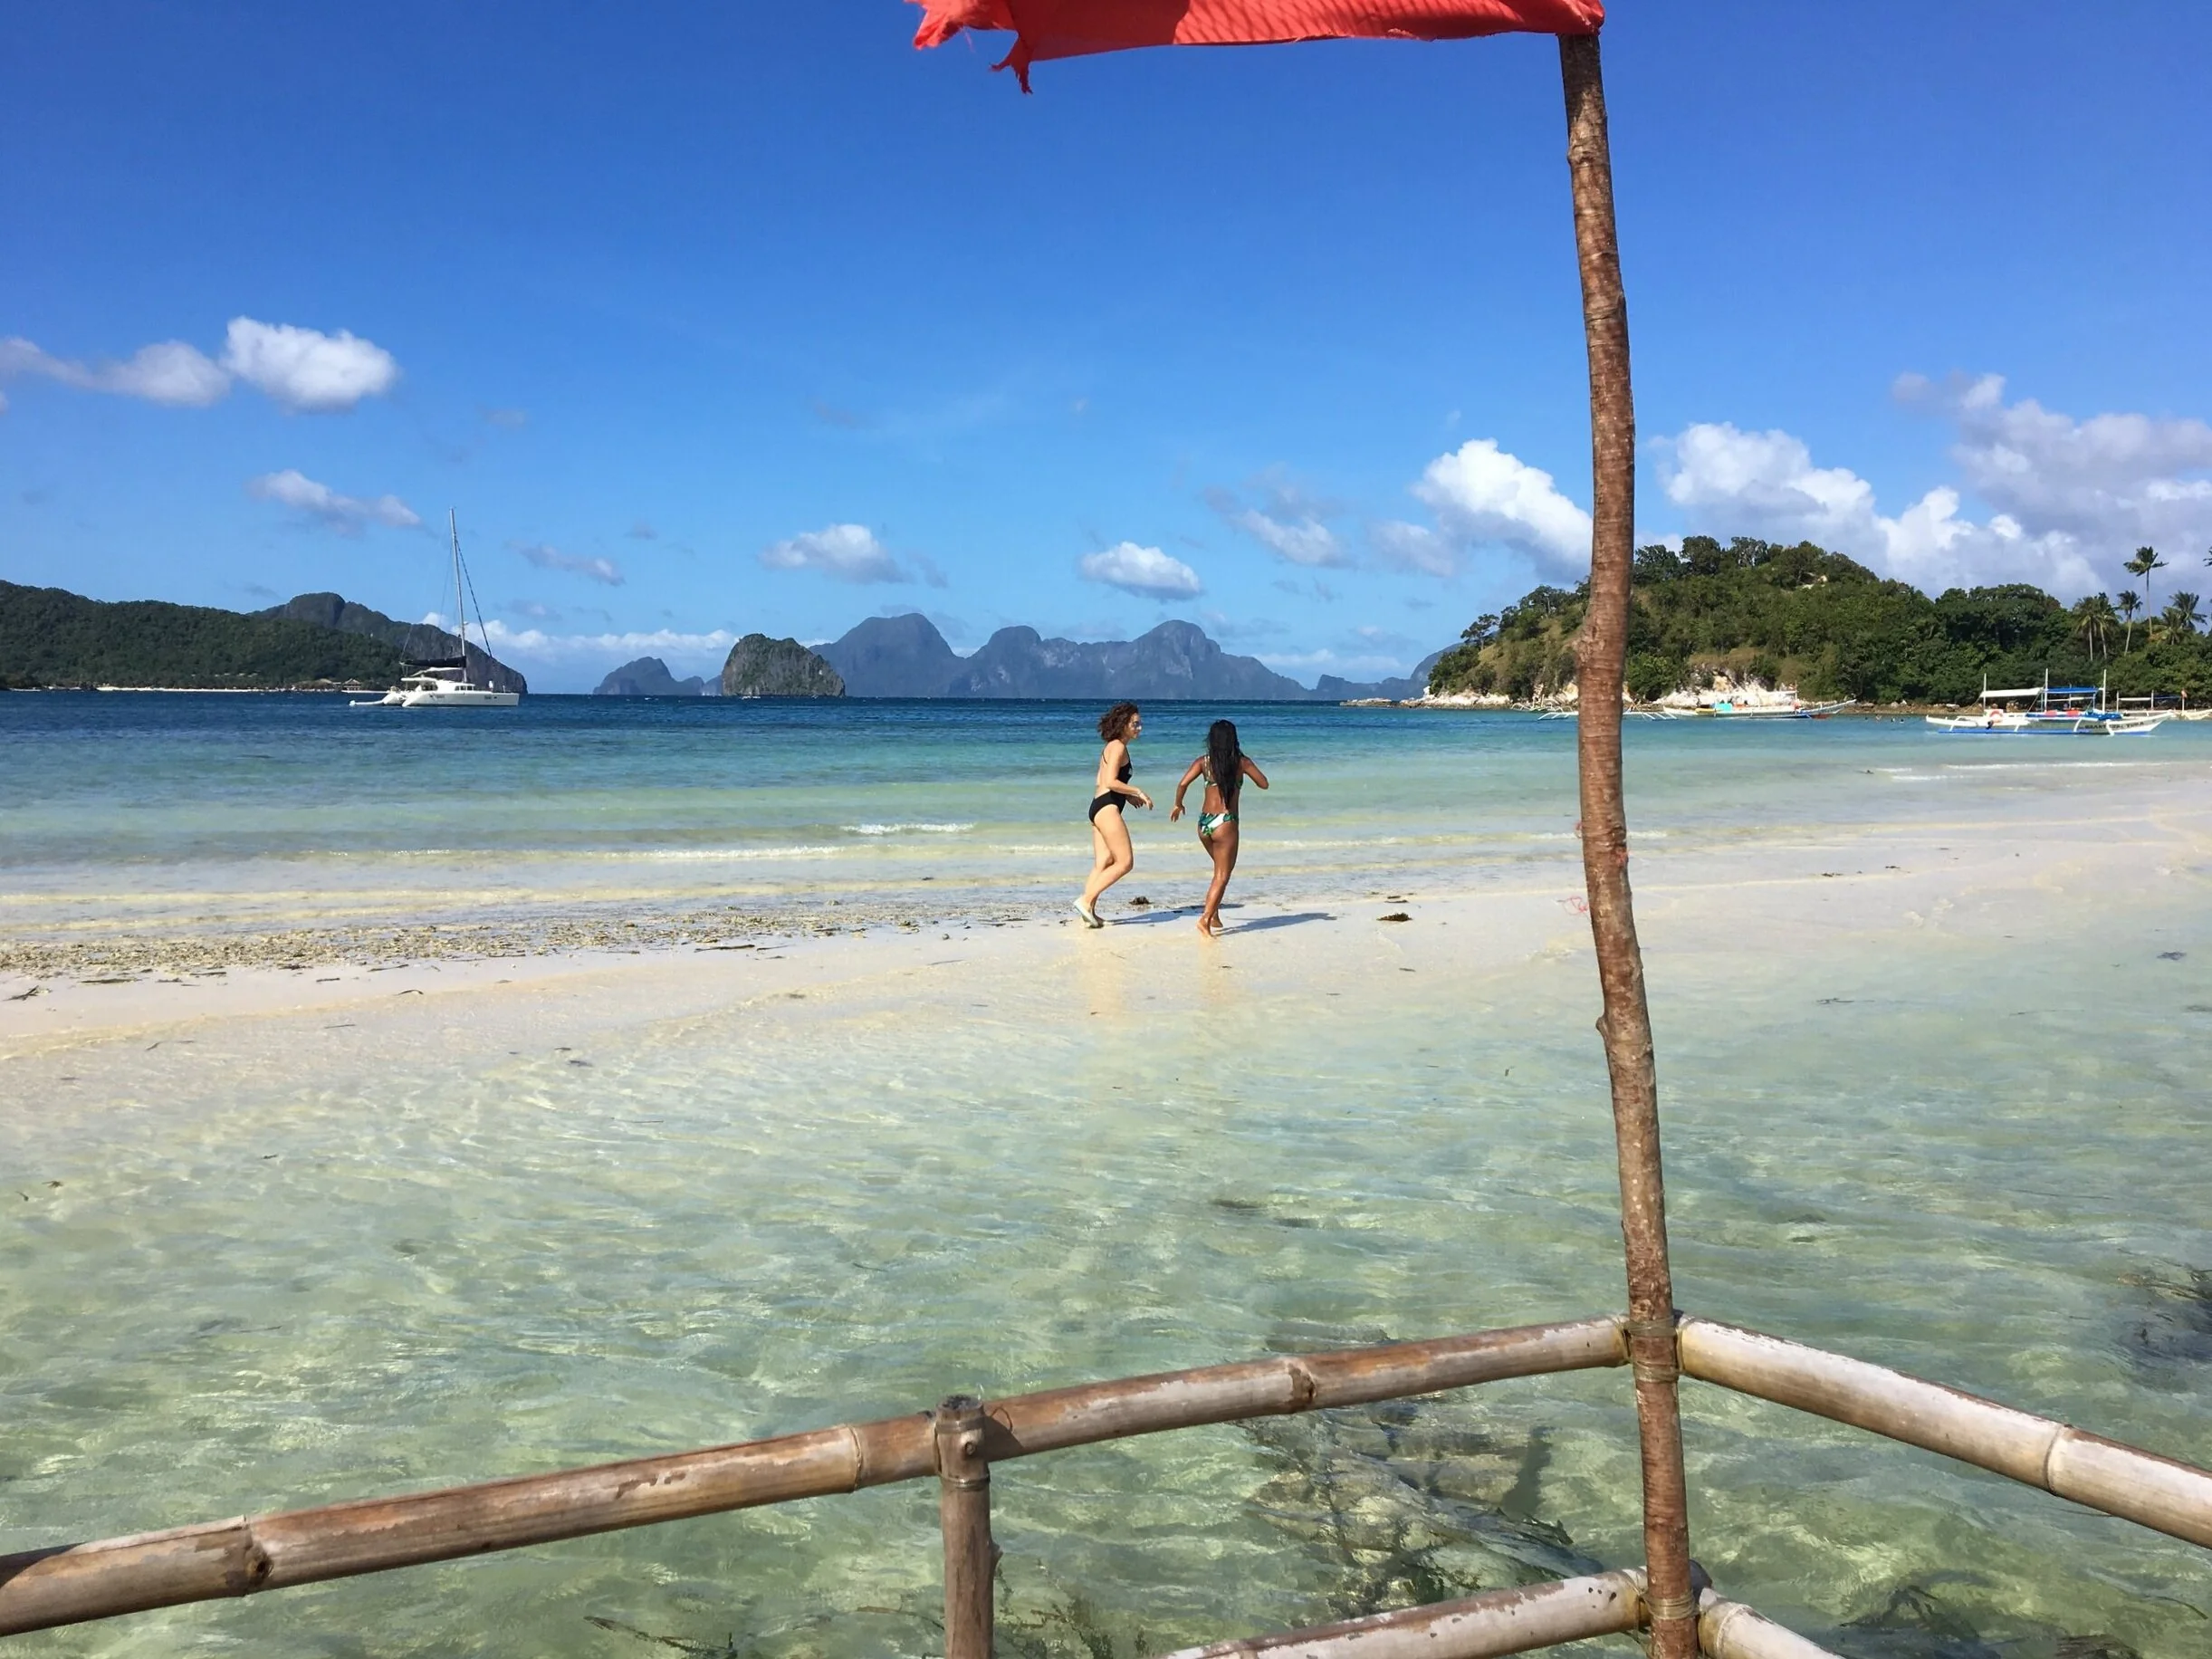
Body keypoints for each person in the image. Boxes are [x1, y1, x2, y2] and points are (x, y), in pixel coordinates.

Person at [1171, 718, 1269, 936]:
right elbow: (1264, 783)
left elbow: (1183, 783)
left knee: (1219, 871)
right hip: (1226, 822)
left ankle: (1214, 914)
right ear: (1234, 740)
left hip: (1204, 823)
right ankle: (1205, 920)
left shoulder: (1203, 762)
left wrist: (1178, 804)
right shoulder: (1242, 763)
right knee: (1223, 875)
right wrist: (1245, 767)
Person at [1076, 702, 1151, 927]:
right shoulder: (1117, 747)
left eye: (1140, 724)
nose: (1139, 728)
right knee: (1125, 862)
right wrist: (1137, 790)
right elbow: (1110, 781)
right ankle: (1085, 900)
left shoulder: (1112, 746)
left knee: (1103, 862)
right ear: (1123, 724)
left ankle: (1088, 911)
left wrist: (1127, 796)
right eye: (1135, 724)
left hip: (1098, 806)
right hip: (1107, 808)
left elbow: (1103, 781)